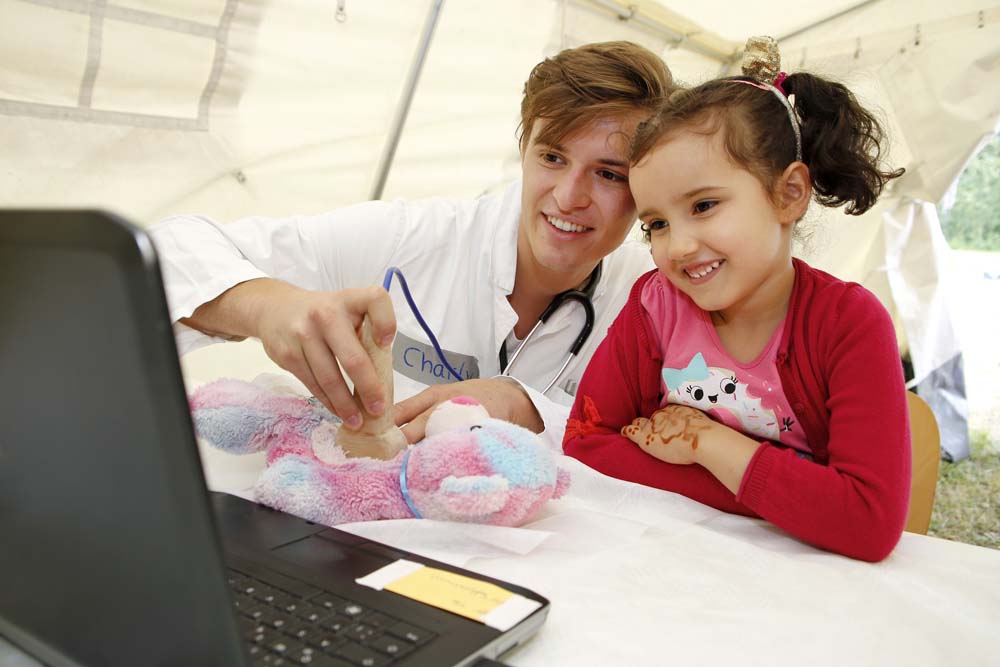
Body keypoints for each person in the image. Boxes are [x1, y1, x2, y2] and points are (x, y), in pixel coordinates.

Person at [151, 41, 674, 449]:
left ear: (647, 187)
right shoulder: (412, 238)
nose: (568, 197)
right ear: (522, 149)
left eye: (608, 174)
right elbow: (166, 251)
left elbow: (679, 437)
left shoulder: (657, 298)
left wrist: (528, 407)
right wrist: (266, 305)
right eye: (552, 158)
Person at [562, 36, 910, 562]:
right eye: (656, 223)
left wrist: (706, 445)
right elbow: (587, 440)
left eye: (704, 205)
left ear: (788, 194)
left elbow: (866, 523)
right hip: (672, 566)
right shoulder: (655, 306)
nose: (677, 246)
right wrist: (795, 495)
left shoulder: (849, 325)